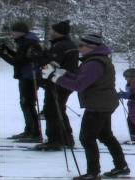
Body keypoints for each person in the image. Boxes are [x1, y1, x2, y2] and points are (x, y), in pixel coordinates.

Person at [42, 34, 130, 180]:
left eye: (82, 46)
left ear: (92, 47)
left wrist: (55, 77)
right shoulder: (95, 60)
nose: (79, 48)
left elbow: (79, 85)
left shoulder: (94, 63)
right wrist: (60, 72)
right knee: (105, 136)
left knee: (87, 138)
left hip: (97, 105)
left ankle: (93, 173)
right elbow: (80, 78)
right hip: (103, 103)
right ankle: (121, 166)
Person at [34, 20, 79, 151]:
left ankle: (55, 140)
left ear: (58, 33)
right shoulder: (67, 44)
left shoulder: (61, 46)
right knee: (59, 109)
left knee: (52, 111)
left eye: (53, 31)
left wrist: (39, 58)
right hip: (65, 81)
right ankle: (66, 138)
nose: (50, 32)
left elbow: (51, 65)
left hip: (58, 81)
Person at [0, 21, 42, 143]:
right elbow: (19, 57)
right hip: (26, 76)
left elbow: (18, 61)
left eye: (13, 31)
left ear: (20, 32)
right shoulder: (25, 42)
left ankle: (34, 132)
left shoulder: (29, 43)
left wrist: (2, 54)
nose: (11, 33)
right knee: (26, 104)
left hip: (30, 77)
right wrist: (6, 50)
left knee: (27, 104)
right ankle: (29, 130)